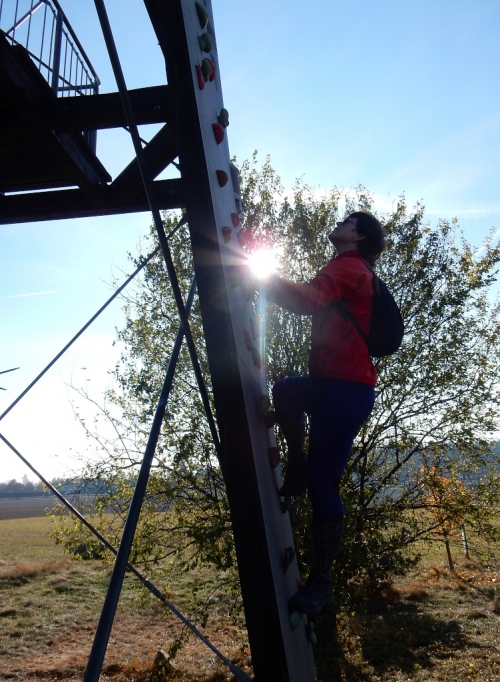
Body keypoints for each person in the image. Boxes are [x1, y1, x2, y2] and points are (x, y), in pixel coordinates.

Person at [265, 211, 386, 615]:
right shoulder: (346, 266)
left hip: (348, 390)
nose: (341, 222)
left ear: (360, 236)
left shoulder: (351, 267)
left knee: (325, 481)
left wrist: (259, 275)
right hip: (330, 385)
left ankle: (323, 583)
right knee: (284, 392)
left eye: (349, 220)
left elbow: (306, 299)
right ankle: (297, 465)